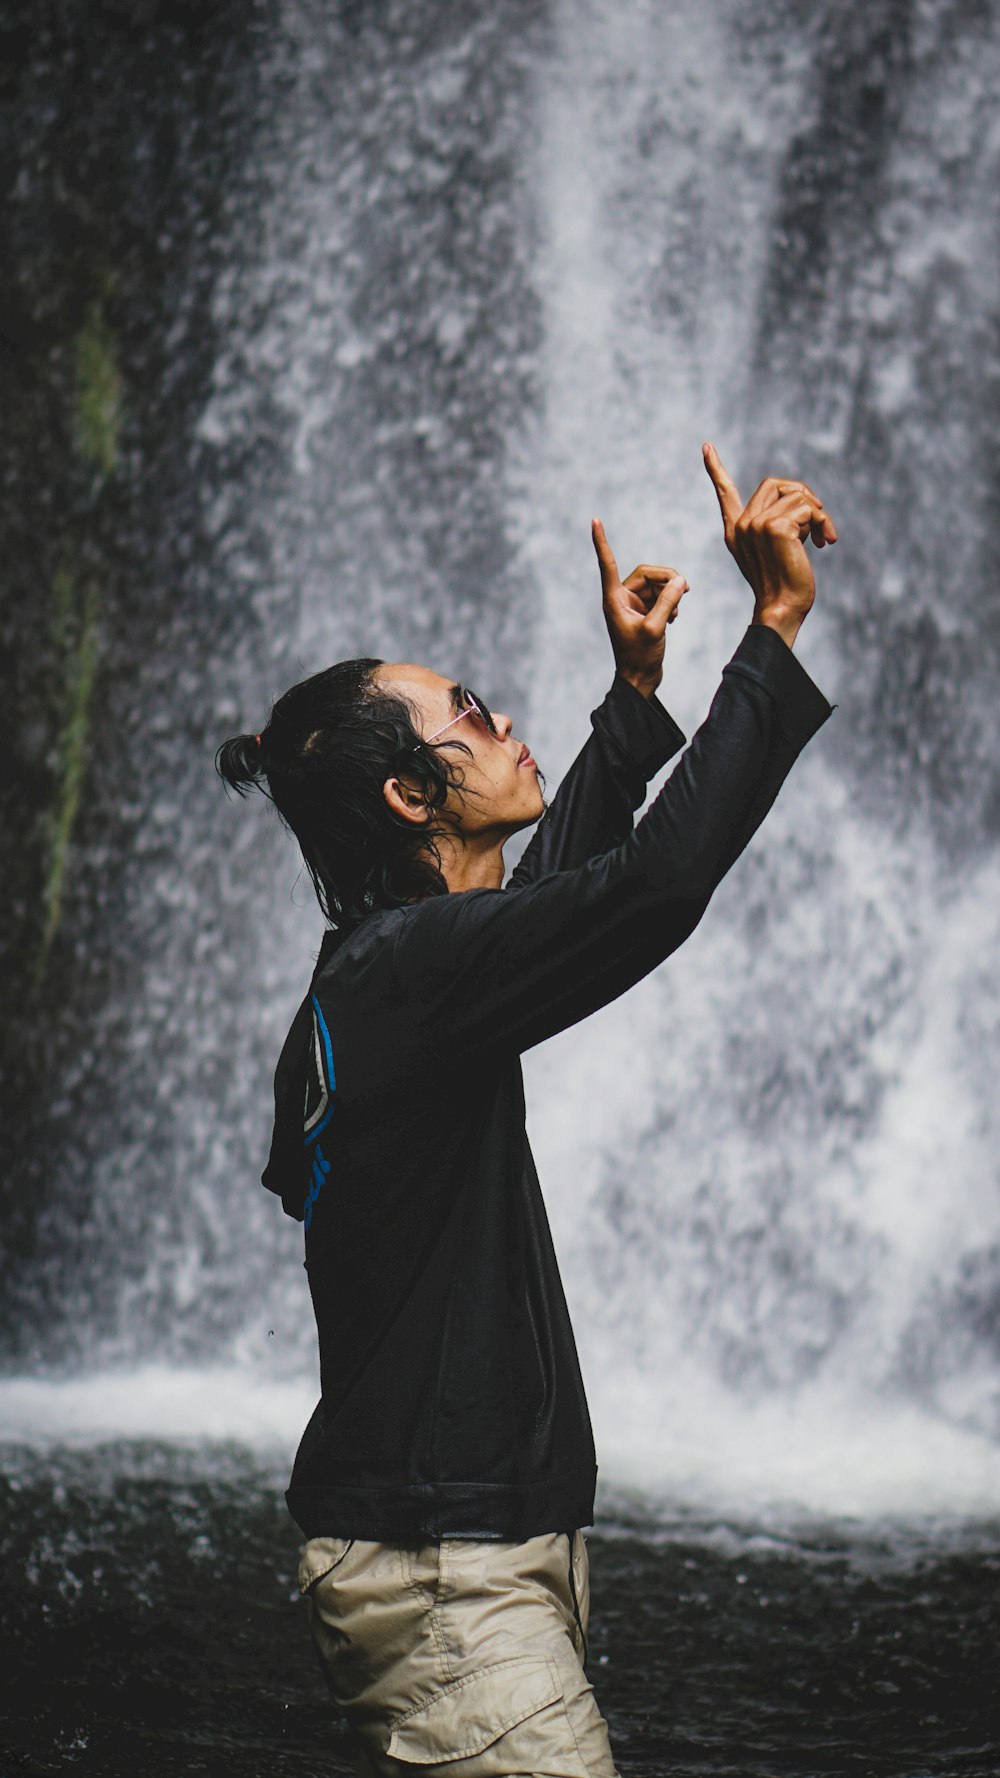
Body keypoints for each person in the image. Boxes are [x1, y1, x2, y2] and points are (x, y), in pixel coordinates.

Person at [216, 442, 837, 1777]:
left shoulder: (380, 978)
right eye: (473, 712)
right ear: (407, 793)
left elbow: (542, 908)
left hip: (446, 1564)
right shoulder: (410, 976)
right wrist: (772, 627)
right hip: (450, 1583)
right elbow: (647, 892)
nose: (502, 719)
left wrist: (631, 700)